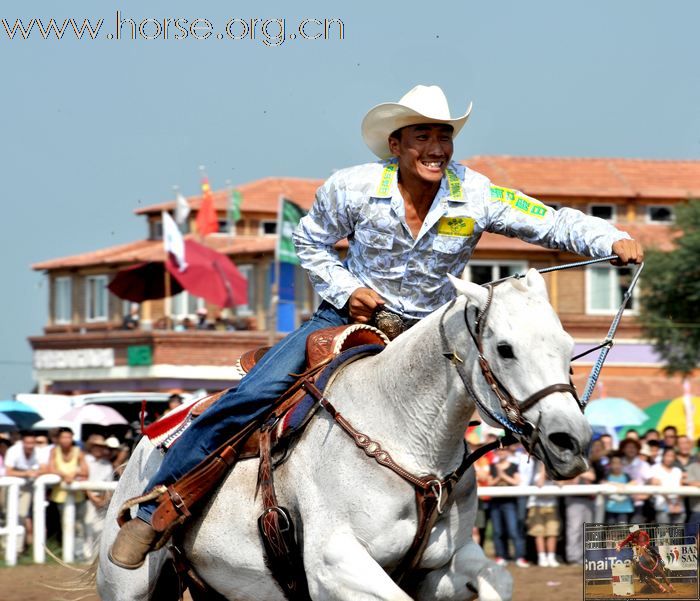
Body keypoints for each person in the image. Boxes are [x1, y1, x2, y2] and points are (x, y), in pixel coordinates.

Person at [108, 83, 644, 569]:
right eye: (423, 136)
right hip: (348, 322)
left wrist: (609, 240)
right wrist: (348, 291)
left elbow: (549, 220)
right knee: (257, 393)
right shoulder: (353, 188)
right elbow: (310, 243)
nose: (436, 148)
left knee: (485, 406)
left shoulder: (475, 193)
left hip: (433, 337)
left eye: (444, 137)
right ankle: (156, 507)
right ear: (396, 143)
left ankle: (446, 539)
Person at [48, 427, 89, 562]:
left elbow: (85, 471)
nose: (66, 440)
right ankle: (67, 553)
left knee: (78, 525)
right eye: (64, 437)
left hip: (77, 494)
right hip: (59, 494)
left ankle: (77, 554)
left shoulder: (78, 452)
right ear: (58, 439)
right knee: (64, 524)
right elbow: (51, 468)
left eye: (69, 437)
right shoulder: (54, 451)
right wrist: (64, 475)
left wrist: (74, 474)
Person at [488, 445, 528, 567]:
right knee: (498, 531)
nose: (501, 452)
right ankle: (501, 556)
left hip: (510, 503)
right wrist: (500, 477)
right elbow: (489, 483)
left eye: (503, 450)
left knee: (513, 531)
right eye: (499, 450)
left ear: (507, 452)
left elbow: (517, 482)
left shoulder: (514, 466)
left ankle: (519, 557)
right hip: (495, 503)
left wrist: (502, 476)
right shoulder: (492, 467)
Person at [5, 432, 41, 552]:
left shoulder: (38, 452)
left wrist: (35, 472)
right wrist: (26, 473)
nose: (30, 445)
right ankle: (5, 548)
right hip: (9, 486)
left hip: (26, 487)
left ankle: (17, 549)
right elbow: (8, 472)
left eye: (32, 443)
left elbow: (44, 467)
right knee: (7, 515)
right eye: (27, 443)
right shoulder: (13, 451)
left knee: (21, 515)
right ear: (22, 442)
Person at [649, 447, 686, 524]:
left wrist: (676, 504)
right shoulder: (654, 468)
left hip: (679, 507)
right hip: (662, 507)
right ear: (663, 456)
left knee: (678, 535)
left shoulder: (677, 470)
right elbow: (657, 486)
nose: (669, 458)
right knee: (664, 534)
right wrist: (669, 503)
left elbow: (681, 488)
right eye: (667, 455)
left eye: (672, 456)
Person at [603, 452, 634, 524]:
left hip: (624, 509)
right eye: (614, 463)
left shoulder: (626, 476)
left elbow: (634, 483)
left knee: (622, 531)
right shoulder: (607, 475)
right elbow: (603, 483)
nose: (616, 465)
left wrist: (624, 485)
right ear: (610, 465)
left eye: (619, 463)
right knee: (611, 532)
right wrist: (618, 485)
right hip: (610, 509)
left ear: (622, 465)